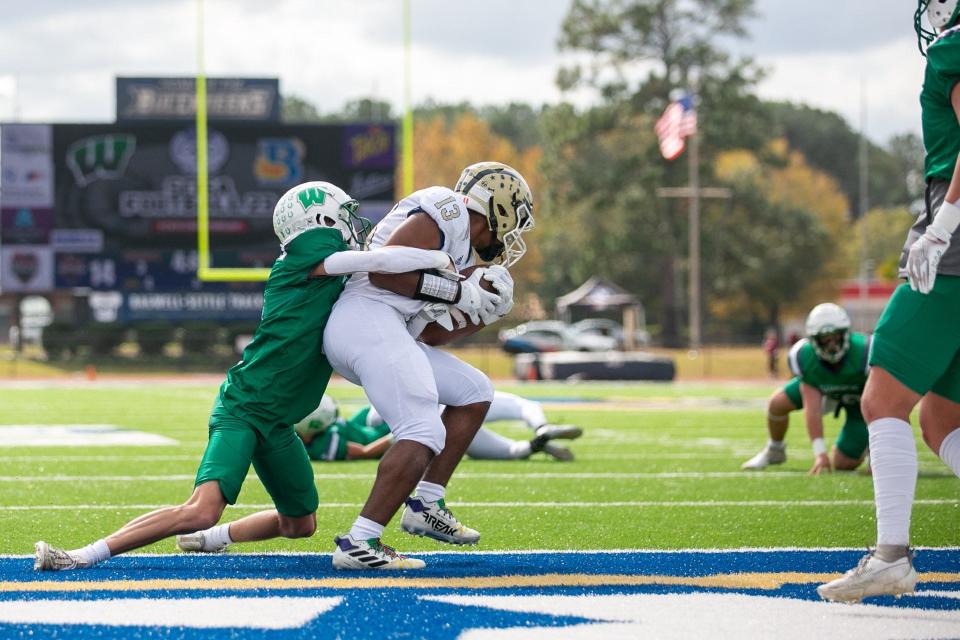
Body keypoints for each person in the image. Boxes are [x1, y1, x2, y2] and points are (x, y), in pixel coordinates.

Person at [33, 181, 455, 572]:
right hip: (246, 408)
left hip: (278, 422)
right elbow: (376, 260)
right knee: (201, 506)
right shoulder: (306, 258)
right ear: (321, 223)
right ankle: (82, 555)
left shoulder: (331, 272)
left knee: (300, 523)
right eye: (342, 214)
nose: (352, 223)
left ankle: (211, 539)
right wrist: (441, 258)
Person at [321, 161, 534, 570]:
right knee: (422, 428)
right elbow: (382, 271)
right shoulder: (446, 210)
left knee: (474, 392)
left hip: (388, 329)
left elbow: (430, 337)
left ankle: (425, 502)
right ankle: (359, 543)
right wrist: (458, 290)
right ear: (497, 210)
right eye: (511, 223)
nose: (509, 237)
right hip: (363, 318)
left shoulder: (457, 254)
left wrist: (480, 313)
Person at [817, 3, 960, 602]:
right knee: (942, 419)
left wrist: (943, 223)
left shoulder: (954, 50)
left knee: (882, 397)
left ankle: (891, 556)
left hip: (956, 243)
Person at [175, 392, 580, 556]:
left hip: (371, 419)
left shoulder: (301, 437)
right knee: (453, 410)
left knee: (457, 403)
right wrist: (407, 436)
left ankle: (531, 435)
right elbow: (366, 449)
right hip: (379, 426)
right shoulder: (320, 444)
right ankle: (531, 434)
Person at [742, 304, 870, 475]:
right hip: (822, 384)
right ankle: (775, 449)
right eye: (825, 339)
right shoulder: (805, 356)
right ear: (813, 339)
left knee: (843, 463)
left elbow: (882, 402)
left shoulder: (865, 351)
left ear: (845, 333)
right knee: (777, 403)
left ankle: (869, 452)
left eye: (835, 337)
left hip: (859, 403)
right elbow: (812, 410)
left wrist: (877, 451)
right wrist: (820, 453)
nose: (831, 344)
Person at [301, 392, 582, 462]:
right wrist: (395, 437)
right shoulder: (327, 440)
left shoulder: (324, 436)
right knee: (522, 406)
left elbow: (362, 449)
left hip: (416, 421)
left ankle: (535, 445)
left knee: (510, 451)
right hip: (412, 418)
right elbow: (364, 450)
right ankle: (541, 428)